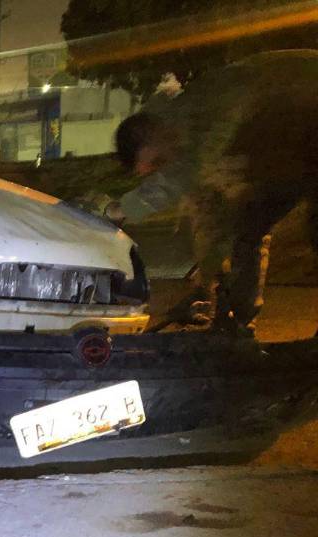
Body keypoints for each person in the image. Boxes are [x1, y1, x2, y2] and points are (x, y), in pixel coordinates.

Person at [108, 50, 318, 333]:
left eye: (158, 163)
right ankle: (239, 323)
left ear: (151, 134)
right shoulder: (186, 134)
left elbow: (189, 173)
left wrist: (121, 209)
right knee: (248, 228)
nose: (164, 169)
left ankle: (240, 324)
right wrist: (206, 283)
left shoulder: (205, 109)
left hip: (306, 121)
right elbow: (211, 218)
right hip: (294, 153)